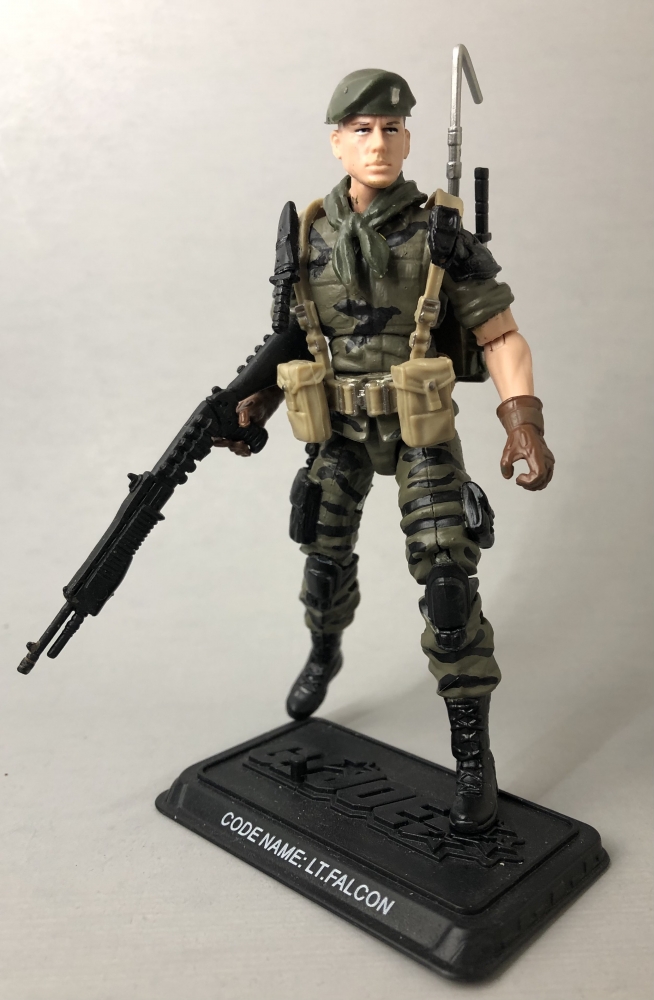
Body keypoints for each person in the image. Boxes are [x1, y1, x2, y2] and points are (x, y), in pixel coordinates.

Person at [215, 68, 554, 834]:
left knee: (448, 584)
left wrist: (522, 420)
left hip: (417, 429)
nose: (379, 143)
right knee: (322, 558)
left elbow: (500, 333)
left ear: (408, 138)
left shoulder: (440, 232)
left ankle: (471, 754)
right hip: (335, 429)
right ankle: (324, 649)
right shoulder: (308, 233)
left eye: (392, 129)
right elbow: (291, 337)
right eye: (362, 130)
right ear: (337, 142)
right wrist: (252, 404)